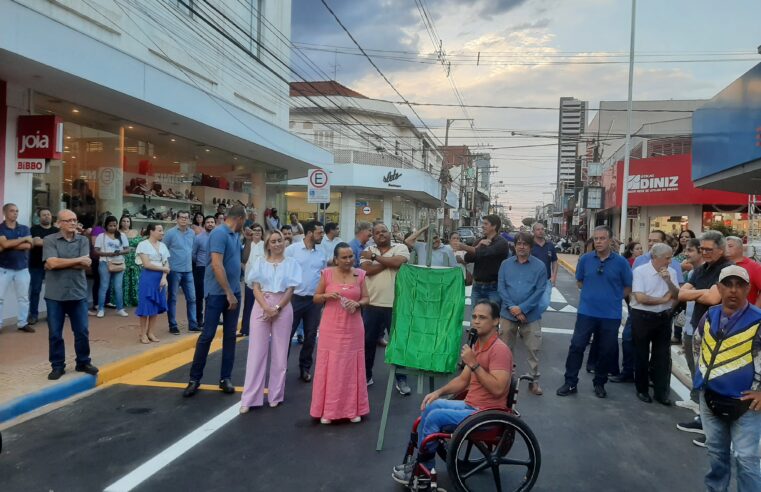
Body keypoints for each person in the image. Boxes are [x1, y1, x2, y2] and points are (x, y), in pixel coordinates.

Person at [391, 300, 512, 485]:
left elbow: (498, 388)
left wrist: (474, 364)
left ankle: (424, 469)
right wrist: (438, 392)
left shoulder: (500, 350)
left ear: (496, 321)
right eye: (474, 317)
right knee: (432, 406)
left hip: (487, 414)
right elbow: (463, 380)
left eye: (482, 317)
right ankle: (419, 462)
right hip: (472, 406)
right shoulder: (478, 345)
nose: (476, 321)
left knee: (435, 417)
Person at [692, 265, 761, 491]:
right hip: (710, 397)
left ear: (748, 288)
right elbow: (697, 344)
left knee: (746, 459)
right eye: (728, 285)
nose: (734, 291)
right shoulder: (710, 314)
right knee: (716, 454)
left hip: (747, 404)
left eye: (739, 285)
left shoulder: (758, 320)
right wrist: (701, 377)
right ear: (719, 288)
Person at [557, 226, 632, 399]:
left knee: (606, 351)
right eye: (596, 238)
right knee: (576, 346)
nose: (598, 242)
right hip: (586, 313)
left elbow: (628, 286)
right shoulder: (585, 259)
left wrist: (613, 298)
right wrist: (592, 296)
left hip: (611, 315)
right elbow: (580, 281)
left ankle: (599, 383)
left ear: (611, 240)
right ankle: (570, 382)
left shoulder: (621, 263)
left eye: (602, 238)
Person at [184, 205, 246, 397]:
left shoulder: (235, 234)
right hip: (218, 294)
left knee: (229, 337)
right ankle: (194, 378)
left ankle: (225, 378)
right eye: (245, 221)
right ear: (239, 218)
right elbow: (217, 264)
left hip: (234, 292)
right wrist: (228, 292)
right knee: (207, 335)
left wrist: (250, 240)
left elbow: (242, 258)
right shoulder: (219, 233)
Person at [677, 230, 733, 444]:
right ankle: (704, 420)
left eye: (709, 249)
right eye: (703, 249)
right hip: (701, 330)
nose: (705, 253)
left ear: (721, 249)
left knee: (717, 381)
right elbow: (681, 293)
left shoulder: (727, 270)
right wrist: (702, 293)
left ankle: (716, 433)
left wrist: (699, 294)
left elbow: (713, 298)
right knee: (702, 379)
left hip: (721, 333)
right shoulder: (701, 269)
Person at [240, 230, 301, 412]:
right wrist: (266, 307)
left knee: (280, 353)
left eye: (280, 240)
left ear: (284, 242)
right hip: (262, 305)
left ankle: (275, 395)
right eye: (273, 241)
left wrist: (277, 308)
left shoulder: (292, 263)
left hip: (283, 306)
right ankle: (249, 399)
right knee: (256, 353)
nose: (277, 244)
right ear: (267, 244)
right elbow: (255, 287)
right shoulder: (259, 262)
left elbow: (291, 289)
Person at [311, 242, 370, 424]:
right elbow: (315, 298)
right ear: (335, 259)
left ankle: (353, 409)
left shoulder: (360, 274)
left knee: (352, 367)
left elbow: (366, 298)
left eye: (351, 256)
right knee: (330, 366)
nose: (348, 260)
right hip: (331, 328)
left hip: (353, 328)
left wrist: (358, 304)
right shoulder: (327, 274)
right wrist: (326, 297)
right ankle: (328, 410)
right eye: (344, 257)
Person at [42, 209, 98, 380]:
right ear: (59, 223)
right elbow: (51, 263)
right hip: (55, 294)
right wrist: (76, 261)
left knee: (81, 331)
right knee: (55, 333)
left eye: (75, 220)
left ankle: (83, 361)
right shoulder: (49, 240)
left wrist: (61, 262)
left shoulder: (82, 240)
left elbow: (86, 264)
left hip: (78, 293)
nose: (73, 223)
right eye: (69, 220)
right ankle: (57, 366)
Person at [360, 222, 411, 392]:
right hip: (371, 304)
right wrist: (388, 262)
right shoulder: (368, 249)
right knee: (367, 343)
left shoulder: (401, 247)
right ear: (373, 236)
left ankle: (401, 380)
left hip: (396, 306)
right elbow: (366, 270)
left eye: (384, 231)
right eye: (377, 232)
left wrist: (375, 258)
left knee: (397, 344)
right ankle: (366, 376)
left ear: (389, 233)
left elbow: (398, 262)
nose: (381, 234)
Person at [498, 231, 547, 395]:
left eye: (525, 244)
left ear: (531, 247)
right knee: (505, 348)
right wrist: (513, 308)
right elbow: (501, 288)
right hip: (507, 313)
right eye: (519, 243)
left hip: (530, 314)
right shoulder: (505, 264)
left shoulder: (539, 266)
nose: (521, 246)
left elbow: (540, 290)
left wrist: (523, 308)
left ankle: (534, 380)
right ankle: (505, 378)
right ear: (515, 245)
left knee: (534, 348)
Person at [630, 243, 679, 405]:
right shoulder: (640, 271)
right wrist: (663, 299)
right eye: (667, 258)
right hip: (642, 316)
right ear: (655, 257)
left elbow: (676, 295)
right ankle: (642, 389)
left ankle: (661, 392)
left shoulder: (671, 272)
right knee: (642, 354)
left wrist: (668, 282)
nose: (669, 261)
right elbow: (641, 298)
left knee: (662, 356)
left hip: (663, 317)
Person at [285, 220, 327, 383]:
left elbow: (323, 275)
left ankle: (305, 368)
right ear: (309, 233)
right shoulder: (292, 250)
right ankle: (281, 368)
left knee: (310, 336)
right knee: (286, 335)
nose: (322, 235)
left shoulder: (321, 253)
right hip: (294, 299)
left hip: (314, 301)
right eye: (319, 232)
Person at [453, 215, 510, 305]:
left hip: (494, 288)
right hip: (477, 287)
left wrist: (464, 247)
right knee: (476, 317)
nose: (482, 226)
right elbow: (468, 258)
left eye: (486, 224)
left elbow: (486, 253)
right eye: (483, 223)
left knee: (492, 316)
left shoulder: (501, 243)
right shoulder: (480, 241)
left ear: (494, 226)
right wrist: (478, 245)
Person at [163, 211, 198, 334]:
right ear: (177, 219)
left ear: (189, 220)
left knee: (192, 298)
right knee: (172, 298)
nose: (184, 219)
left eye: (186, 218)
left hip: (188, 270)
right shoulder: (170, 233)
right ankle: (172, 325)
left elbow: (193, 250)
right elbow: (163, 250)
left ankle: (193, 324)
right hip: (174, 270)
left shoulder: (192, 233)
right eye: (182, 217)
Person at [0, 203, 33, 333]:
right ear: (5, 213)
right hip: (3, 268)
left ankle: (22, 323)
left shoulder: (24, 228)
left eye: (17, 211)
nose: (15, 213)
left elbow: (28, 246)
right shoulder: (1, 228)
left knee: (24, 297)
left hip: (22, 268)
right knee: (0, 298)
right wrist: (22, 240)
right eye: (12, 211)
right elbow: (4, 244)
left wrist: (7, 245)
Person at [135, 224, 170, 343]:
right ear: (151, 231)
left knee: (156, 306)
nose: (162, 233)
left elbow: (166, 264)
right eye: (159, 230)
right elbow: (147, 264)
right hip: (148, 277)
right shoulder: (143, 245)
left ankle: (151, 332)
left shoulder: (163, 246)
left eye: (162, 230)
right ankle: (142, 334)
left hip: (160, 279)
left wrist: (164, 277)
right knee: (146, 305)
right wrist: (163, 270)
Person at [93, 216, 129, 318]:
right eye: (110, 226)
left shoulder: (122, 235)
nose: (113, 227)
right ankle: (100, 309)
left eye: (114, 225)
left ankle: (120, 308)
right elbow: (96, 250)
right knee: (104, 286)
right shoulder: (101, 236)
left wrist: (119, 252)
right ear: (106, 226)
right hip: (105, 262)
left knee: (118, 287)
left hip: (119, 263)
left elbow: (127, 249)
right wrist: (107, 254)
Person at [27, 208, 59, 326]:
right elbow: (36, 243)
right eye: (43, 215)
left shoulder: (56, 230)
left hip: (52, 264)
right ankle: (33, 315)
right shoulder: (34, 229)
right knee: (35, 290)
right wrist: (52, 242)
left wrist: (43, 241)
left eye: (48, 214)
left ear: (51, 217)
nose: (46, 216)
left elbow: (58, 245)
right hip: (36, 264)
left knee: (52, 292)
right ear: (39, 217)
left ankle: (51, 315)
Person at [240, 222, 265, 337]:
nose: (257, 232)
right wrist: (248, 240)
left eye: (259, 230)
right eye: (255, 230)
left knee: (261, 305)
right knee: (248, 305)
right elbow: (244, 259)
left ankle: (260, 329)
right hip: (249, 281)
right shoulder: (247, 244)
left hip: (263, 282)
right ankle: (245, 329)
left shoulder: (265, 245)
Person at [191, 216, 215, 330]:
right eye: (208, 222)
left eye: (212, 222)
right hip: (201, 269)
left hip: (215, 269)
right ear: (204, 224)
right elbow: (193, 254)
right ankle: (199, 320)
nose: (210, 224)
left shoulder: (218, 237)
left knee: (211, 295)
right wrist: (201, 263)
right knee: (200, 295)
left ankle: (209, 320)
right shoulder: (198, 238)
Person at [726, 236, 761, 306]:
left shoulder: (754, 267)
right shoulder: (721, 266)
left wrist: (756, 310)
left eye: (730, 246)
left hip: (746, 313)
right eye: (724, 246)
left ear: (740, 249)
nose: (726, 249)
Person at [531, 222, 558, 314]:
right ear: (533, 232)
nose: (541, 231)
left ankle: (533, 317)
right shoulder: (529, 245)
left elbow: (554, 261)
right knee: (530, 302)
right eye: (538, 229)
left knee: (544, 303)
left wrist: (554, 276)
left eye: (542, 229)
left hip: (546, 280)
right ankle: (532, 321)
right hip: (531, 280)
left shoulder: (550, 245)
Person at [120, 216, 141, 307]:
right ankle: (123, 300)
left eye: (128, 221)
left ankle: (135, 299)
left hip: (134, 257)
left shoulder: (135, 232)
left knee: (135, 277)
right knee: (123, 278)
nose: (125, 223)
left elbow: (141, 244)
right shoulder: (117, 233)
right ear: (120, 222)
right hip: (122, 257)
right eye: (124, 221)